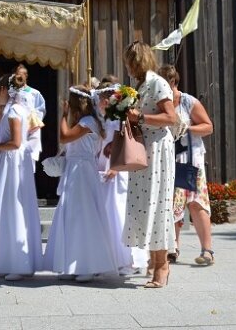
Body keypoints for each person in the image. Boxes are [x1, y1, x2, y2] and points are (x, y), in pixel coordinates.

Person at [44, 85, 119, 282]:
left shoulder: (88, 122)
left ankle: (87, 265)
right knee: (73, 216)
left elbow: (64, 136)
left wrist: (63, 115)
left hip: (82, 172)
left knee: (84, 215)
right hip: (76, 170)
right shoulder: (86, 121)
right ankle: (73, 263)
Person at [122, 41, 178, 289]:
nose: (128, 67)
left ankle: (162, 265)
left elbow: (171, 117)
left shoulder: (157, 82)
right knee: (147, 205)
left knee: (158, 204)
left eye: (130, 62)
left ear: (139, 61)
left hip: (158, 149)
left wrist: (141, 117)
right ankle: (154, 263)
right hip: (145, 148)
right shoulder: (142, 85)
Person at [0, 73, 42, 281]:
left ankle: (18, 263)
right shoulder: (16, 109)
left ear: (5, 90)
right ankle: (6, 260)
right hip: (11, 162)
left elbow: (15, 142)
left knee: (12, 208)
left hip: (12, 163)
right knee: (5, 209)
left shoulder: (14, 110)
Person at [158, 65, 215, 267]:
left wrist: (186, 128)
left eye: (166, 83)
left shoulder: (189, 102)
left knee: (195, 202)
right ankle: (173, 248)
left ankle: (207, 250)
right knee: (172, 203)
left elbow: (208, 126)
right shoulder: (160, 102)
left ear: (174, 82)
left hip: (190, 159)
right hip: (167, 159)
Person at [96, 76, 147, 275]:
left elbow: (122, 142)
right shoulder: (106, 117)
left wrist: (116, 167)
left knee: (119, 211)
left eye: (102, 97)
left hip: (117, 169)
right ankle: (113, 256)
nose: (100, 101)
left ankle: (129, 258)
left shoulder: (118, 118)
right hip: (105, 166)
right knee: (109, 214)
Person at [14, 64, 46, 165]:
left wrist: (30, 123)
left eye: (21, 75)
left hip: (29, 131)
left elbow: (40, 111)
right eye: (17, 75)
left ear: (26, 76)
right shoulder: (11, 93)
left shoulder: (34, 93)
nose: (19, 77)